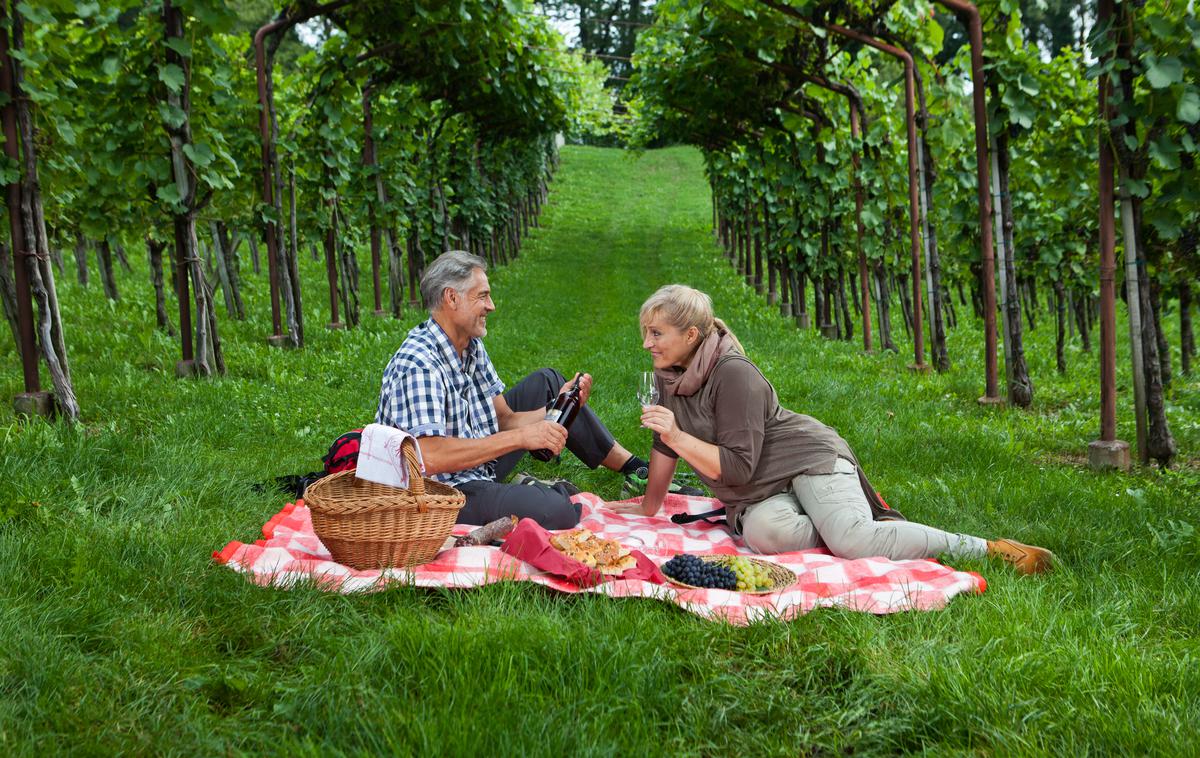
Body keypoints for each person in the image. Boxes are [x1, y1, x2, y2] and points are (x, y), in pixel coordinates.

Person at [607, 284, 1054, 575]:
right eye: (645, 333)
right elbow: (661, 444)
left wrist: (680, 436)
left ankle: (987, 549)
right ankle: (838, 523)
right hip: (763, 492)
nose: (647, 343)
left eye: (656, 333)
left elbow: (737, 469)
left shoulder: (733, 375)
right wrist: (649, 507)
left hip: (805, 459)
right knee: (764, 536)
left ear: (690, 335)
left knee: (854, 541)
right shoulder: (669, 374)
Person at [376, 250, 669, 529]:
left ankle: (636, 469)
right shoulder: (419, 363)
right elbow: (429, 457)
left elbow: (503, 419)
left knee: (551, 382)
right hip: (440, 491)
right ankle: (533, 492)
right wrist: (521, 438)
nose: (491, 306)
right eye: (483, 296)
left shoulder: (470, 346)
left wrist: (562, 406)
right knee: (557, 510)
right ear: (451, 298)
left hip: (477, 465)